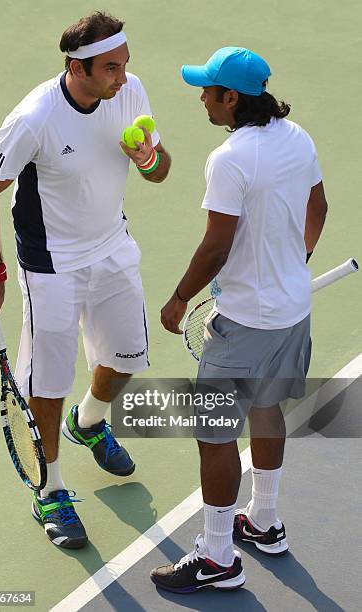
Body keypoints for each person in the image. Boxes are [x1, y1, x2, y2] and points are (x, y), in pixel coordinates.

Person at [0, 10, 171, 549]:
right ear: (77, 68)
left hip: (113, 247)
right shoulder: (34, 118)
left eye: (125, 65)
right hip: (50, 264)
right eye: (111, 69)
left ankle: (88, 422)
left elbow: (160, 169)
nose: (123, 78)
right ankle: (51, 488)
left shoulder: (128, 93)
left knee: (128, 357)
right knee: (49, 381)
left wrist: (149, 159)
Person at [150, 47, 327, 593]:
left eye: (208, 89)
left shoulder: (228, 159)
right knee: (267, 406)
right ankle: (266, 521)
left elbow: (216, 246)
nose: (201, 96)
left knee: (214, 434)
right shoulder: (296, 137)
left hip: (245, 322)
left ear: (233, 98)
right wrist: (291, 267)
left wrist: (179, 299)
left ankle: (219, 556)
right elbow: (318, 207)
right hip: (292, 311)